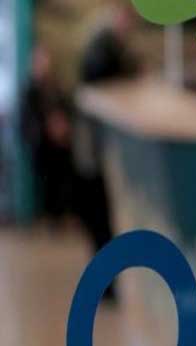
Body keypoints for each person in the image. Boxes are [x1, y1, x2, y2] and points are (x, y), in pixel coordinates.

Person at [74, 4, 140, 303]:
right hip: (93, 155)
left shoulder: (109, 48)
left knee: (101, 223)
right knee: (100, 222)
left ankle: (107, 284)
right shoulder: (103, 50)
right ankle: (105, 285)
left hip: (95, 154)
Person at [21, 45, 76, 221]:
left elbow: (67, 108)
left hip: (61, 144)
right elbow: (27, 123)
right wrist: (48, 129)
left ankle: (63, 213)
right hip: (42, 146)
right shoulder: (29, 91)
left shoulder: (56, 87)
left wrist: (64, 126)